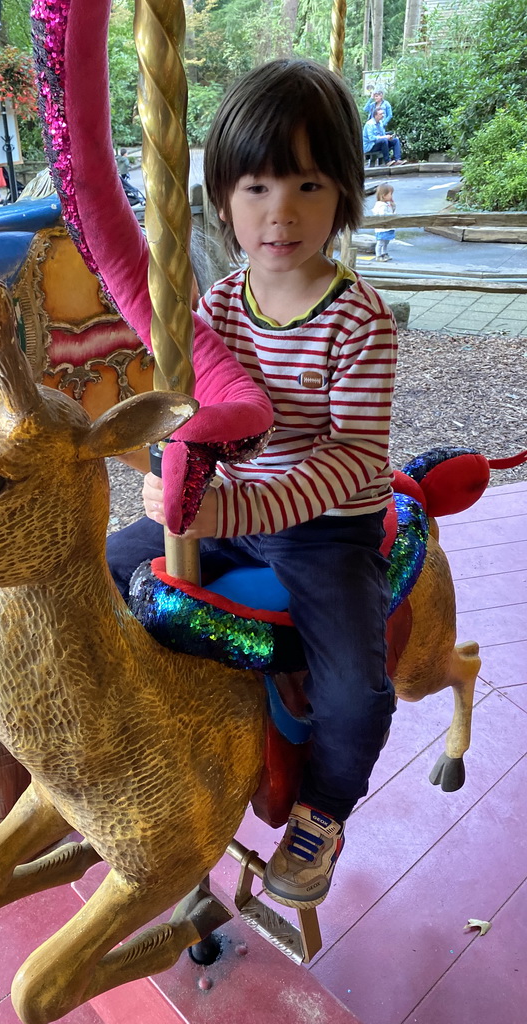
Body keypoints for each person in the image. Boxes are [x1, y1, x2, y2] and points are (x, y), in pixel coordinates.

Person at [106, 57, 397, 910]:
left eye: (308, 184)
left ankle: (322, 811)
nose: (282, 212)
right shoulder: (217, 309)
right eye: (259, 185)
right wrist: (167, 474)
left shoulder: (359, 319)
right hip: (227, 512)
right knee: (106, 568)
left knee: (358, 688)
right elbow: (189, 421)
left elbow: (352, 456)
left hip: (326, 525)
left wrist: (231, 502)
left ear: (343, 191)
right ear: (222, 197)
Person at [372, 183, 396, 261]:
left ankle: (384, 253)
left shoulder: (387, 204)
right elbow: (383, 215)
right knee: (381, 242)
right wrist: (392, 214)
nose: (392, 196)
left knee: (386, 242)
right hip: (382, 228)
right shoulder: (381, 206)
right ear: (384, 195)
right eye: (390, 194)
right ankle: (378, 255)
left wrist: (393, 207)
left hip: (387, 227)